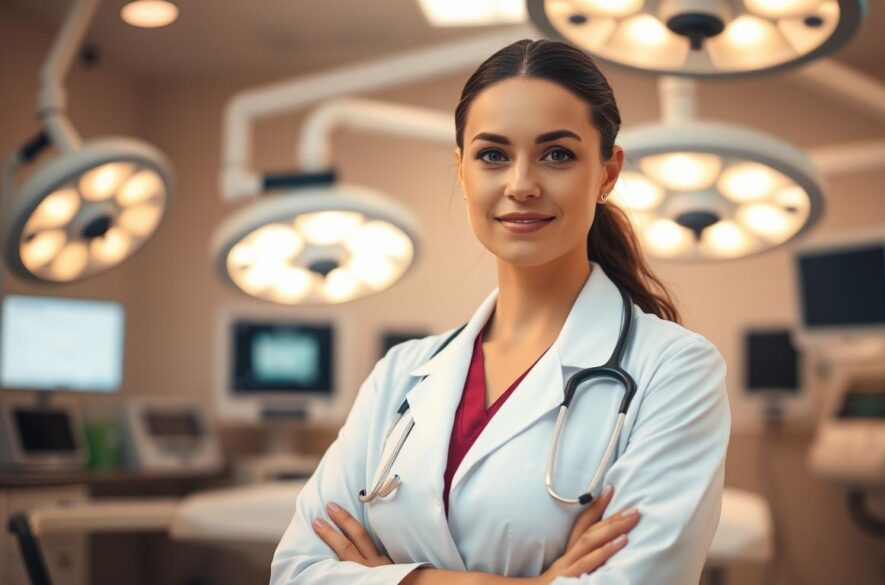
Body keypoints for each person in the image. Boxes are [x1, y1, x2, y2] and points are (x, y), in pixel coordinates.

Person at [271, 38, 731, 585]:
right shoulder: (401, 372)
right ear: (462, 170)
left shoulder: (675, 369)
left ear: (608, 173)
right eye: (493, 155)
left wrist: (394, 578)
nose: (521, 185)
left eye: (557, 154)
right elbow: (297, 572)